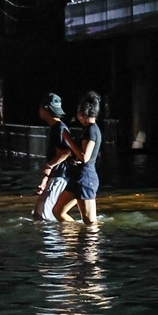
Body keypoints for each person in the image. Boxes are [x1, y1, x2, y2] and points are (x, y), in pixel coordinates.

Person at [55, 92, 102, 225]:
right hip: (78, 177)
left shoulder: (91, 130)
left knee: (89, 221)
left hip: (85, 178)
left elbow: (85, 157)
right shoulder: (89, 129)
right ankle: (75, 237)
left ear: (82, 114)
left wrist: (68, 139)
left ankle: (91, 244)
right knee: (58, 211)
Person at [33, 93, 72, 221]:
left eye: (40, 108)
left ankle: (61, 238)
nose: (39, 110)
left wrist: (50, 166)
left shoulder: (60, 129)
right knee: (38, 214)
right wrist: (45, 180)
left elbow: (67, 151)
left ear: (46, 109)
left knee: (45, 215)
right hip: (55, 177)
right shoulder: (56, 128)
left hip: (60, 177)